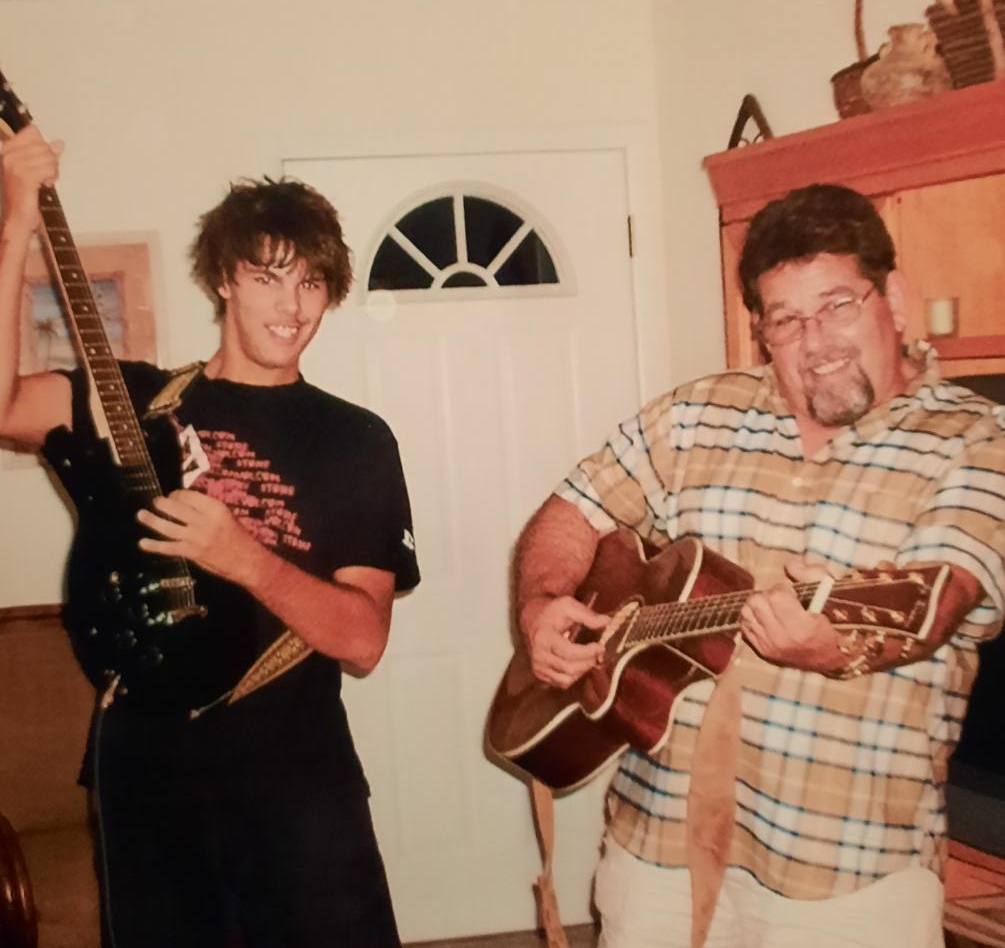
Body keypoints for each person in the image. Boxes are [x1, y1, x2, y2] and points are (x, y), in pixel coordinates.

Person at [514, 183, 1005, 948]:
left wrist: (834, 646)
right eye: (787, 320)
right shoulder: (693, 414)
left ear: (894, 299)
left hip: (845, 875)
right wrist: (542, 601)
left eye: (838, 305)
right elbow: (571, 510)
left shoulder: (976, 441)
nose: (817, 341)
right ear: (761, 332)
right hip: (656, 850)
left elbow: (938, 598)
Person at [0, 124, 419, 947]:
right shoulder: (138, 402)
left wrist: (243, 559)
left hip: (298, 776)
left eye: (311, 284)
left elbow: (363, 639)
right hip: (146, 770)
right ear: (224, 280)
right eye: (268, 278)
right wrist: (17, 218)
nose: (293, 307)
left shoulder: (357, 439)